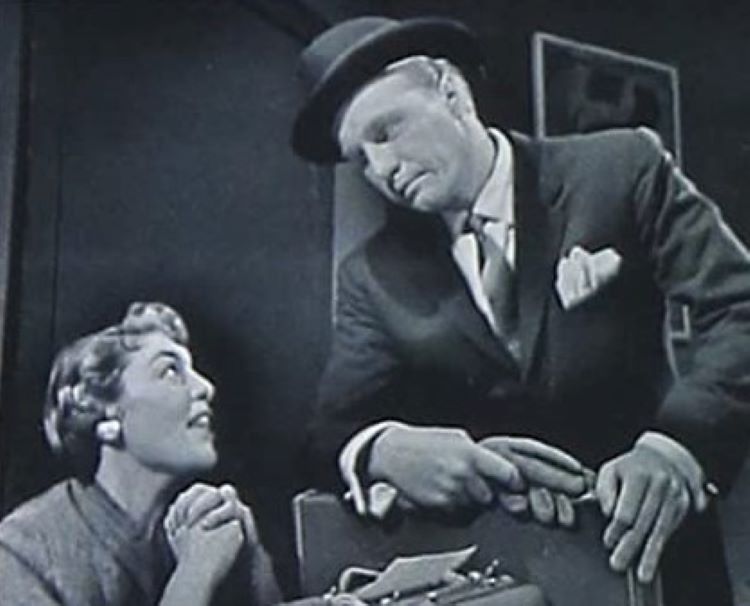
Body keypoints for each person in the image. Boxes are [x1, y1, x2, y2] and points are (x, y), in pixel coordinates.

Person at [291, 16, 750, 606]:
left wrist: (676, 448)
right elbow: (328, 434)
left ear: (452, 94)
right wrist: (381, 447)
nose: (382, 169)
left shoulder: (620, 167)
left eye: (386, 130)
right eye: (360, 159)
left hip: (659, 555)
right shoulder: (373, 274)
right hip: (509, 579)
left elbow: (740, 307)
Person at [0, 302, 282, 606]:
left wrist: (253, 560)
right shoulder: (22, 548)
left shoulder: (205, 520)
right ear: (103, 412)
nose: (205, 387)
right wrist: (196, 573)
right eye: (170, 371)